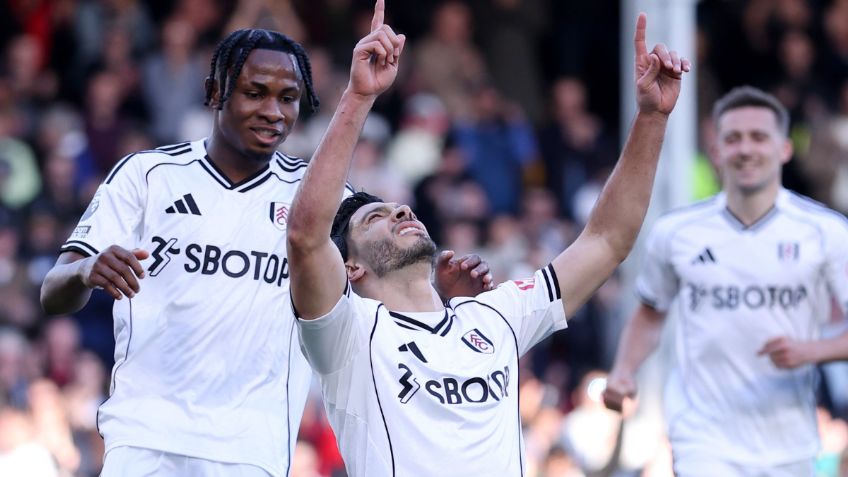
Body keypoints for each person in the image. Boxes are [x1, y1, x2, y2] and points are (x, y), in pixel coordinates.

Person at [39, 26, 490, 477]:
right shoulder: (148, 174)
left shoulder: (317, 201)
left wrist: (444, 301)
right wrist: (86, 270)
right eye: (255, 93)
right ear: (216, 92)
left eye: (288, 97)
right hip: (145, 441)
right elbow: (53, 292)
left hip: (252, 451)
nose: (273, 111)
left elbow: (382, 299)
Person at [286, 3, 689, 475]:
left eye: (397, 206)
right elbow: (306, 236)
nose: (399, 209)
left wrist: (651, 120)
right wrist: (358, 96)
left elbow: (606, 240)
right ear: (351, 268)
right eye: (374, 217)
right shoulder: (347, 335)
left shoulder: (494, 317)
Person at [602, 85, 848, 476]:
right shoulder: (676, 233)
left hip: (789, 441)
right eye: (733, 139)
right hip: (703, 437)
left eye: (758, 137)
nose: (745, 149)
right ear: (716, 151)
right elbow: (651, 314)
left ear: (784, 148)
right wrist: (623, 371)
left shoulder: (826, 231)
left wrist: (812, 351)